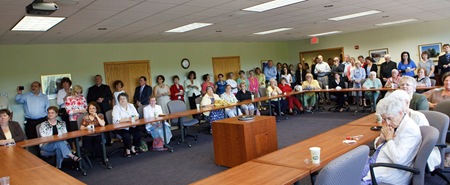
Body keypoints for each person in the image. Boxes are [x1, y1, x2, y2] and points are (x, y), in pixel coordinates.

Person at [361, 98, 421, 185]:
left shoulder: (410, 130)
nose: (387, 123)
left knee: (348, 178)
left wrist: (389, 139)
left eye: (389, 118)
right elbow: (377, 146)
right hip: (378, 162)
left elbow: (399, 160)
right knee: (349, 167)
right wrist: (382, 138)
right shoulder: (396, 123)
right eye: (384, 119)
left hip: (391, 171)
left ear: (400, 113)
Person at [386, 90, 440, 171]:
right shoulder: (392, 117)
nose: (395, 107)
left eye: (398, 104)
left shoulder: (418, 117)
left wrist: (390, 140)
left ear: (407, 103)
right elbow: (384, 139)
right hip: (399, 152)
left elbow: (423, 143)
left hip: (416, 153)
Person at [112, 93, 141, 157]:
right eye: (120, 99)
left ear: (127, 99)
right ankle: (127, 150)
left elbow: (137, 116)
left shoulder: (131, 105)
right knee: (127, 136)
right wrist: (129, 119)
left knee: (138, 133)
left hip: (132, 126)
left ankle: (132, 147)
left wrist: (125, 119)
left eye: (124, 99)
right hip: (121, 128)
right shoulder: (116, 107)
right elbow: (116, 120)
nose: (122, 100)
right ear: (118, 100)